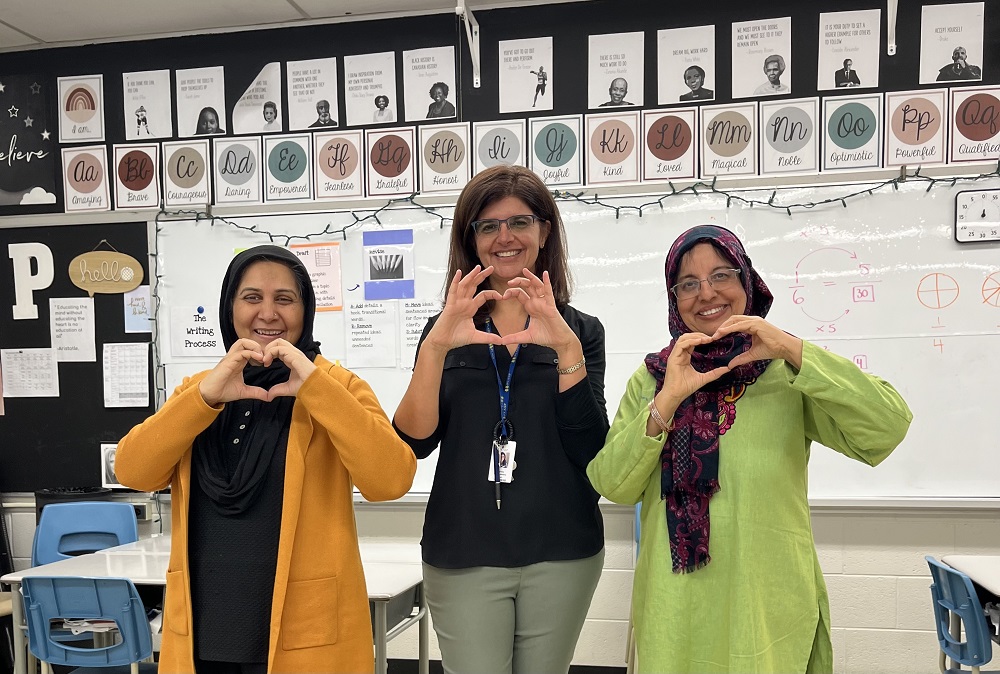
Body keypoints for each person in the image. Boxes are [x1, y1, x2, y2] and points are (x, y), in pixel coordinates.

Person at [587, 224, 912, 673]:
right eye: (688, 284)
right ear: (674, 299)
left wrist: (792, 349)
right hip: (676, 607)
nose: (706, 293)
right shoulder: (654, 378)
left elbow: (886, 427)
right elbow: (613, 484)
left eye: (722, 275)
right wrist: (667, 401)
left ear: (747, 281)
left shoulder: (786, 372)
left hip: (766, 604)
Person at [115, 245, 416, 674]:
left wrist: (315, 387)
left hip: (304, 639)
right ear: (230, 308)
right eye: (252, 297)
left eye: (285, 299)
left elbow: (390, 480)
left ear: (306, 310)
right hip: (204, 634)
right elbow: (133, 471)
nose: (268, 313)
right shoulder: (201, 389)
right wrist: (204, 398)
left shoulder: (338, 386)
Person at [393, 165, 609, 674]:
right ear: (471, 239)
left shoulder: (580, 330)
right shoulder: (446, 328)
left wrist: (566, 351)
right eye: (488, 225)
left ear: (544, 231)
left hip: (562, 548)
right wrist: (435, 348)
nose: (504, 237)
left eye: (519, 222)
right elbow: (413, 441)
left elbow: (592, 451)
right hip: (464, 548)